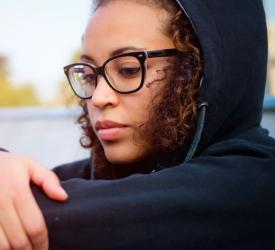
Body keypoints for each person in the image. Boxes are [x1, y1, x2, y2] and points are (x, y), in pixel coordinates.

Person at [0, 0, 275, 249]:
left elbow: (57, 216)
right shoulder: (100, 176)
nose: (98, 98)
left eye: (128, 70)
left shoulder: (260, 181)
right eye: (88, 75)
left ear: (203, 72)